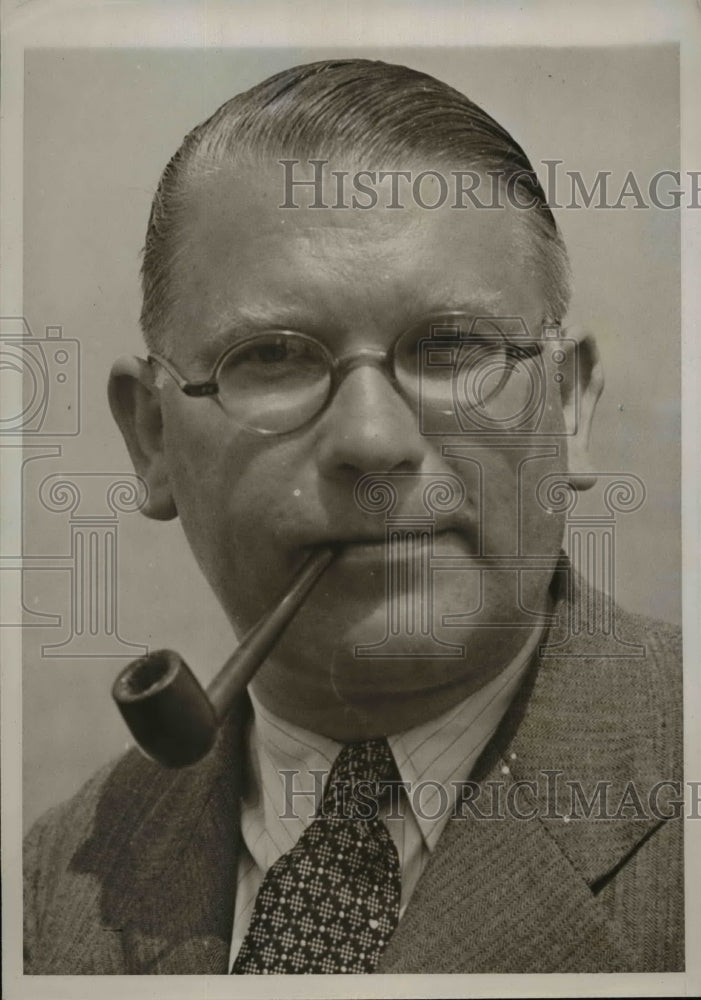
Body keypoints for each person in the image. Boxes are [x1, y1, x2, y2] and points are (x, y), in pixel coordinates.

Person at [23, 58, 683, 975]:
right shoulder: (49, 897)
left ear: (566, 406)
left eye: (453, 347)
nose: (372, 442)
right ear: (153, 441)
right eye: (273, 358)